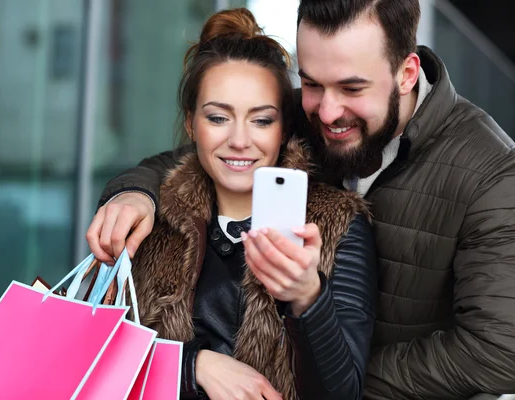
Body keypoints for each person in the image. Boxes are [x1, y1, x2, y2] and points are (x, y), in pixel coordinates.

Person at [87, 1, 515, 399]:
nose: (327, 113)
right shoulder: (297, 117)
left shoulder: (489, 171)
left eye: (351, 88)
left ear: (406, 74)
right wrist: (133, 192)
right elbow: (198, 158)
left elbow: (499, 350)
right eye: (311, 83)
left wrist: (322, 367)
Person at [93, 7, 377, 400]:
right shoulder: (147, 217)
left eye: (261, 120)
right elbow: (95, 354)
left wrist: (308, 298)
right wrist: (194, 366)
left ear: (284, 128)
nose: (240, 140)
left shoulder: (337, 226)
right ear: (192, 124)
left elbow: (342, 393)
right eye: (218, 118)